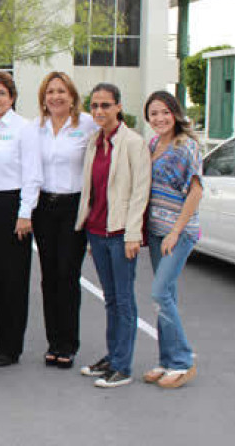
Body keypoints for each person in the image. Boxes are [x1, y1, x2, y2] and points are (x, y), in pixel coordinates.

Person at [76, 83, 150, 388]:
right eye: (94, 105)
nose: (99, 111)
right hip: (96, 231)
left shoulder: (133, 143)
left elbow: (140, 192)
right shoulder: (94, 141)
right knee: (110, 300)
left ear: (118, 107)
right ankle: (112, 357)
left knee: (124, 300)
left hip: (121, 233)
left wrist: (133, 234)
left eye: (105, 105)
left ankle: (123, 366)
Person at [32, 72, 98, 369]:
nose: (55, 97)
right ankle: (53, 342)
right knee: (49, 276)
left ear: (72, 96)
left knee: (68, 274)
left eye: (61, 91)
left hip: (74, 206)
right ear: (43, 98)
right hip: (44, 206)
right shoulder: (37, 128)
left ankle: (68, 344)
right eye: (50, 92)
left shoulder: (87, 125)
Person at [0, 71, 42, 367]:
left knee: (12, 280)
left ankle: (11, 347)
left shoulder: (23, 128)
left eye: (1, 93)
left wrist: (25, 213)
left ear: (12, 97)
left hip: (12, 207)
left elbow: (33, 174)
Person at [142, 91, 202, 389]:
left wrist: (176, 231)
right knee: (167, 296)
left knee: (159, 293)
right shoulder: (154, 144)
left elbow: (195, 191)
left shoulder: (186, 146)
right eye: (154, 113)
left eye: (165, 112)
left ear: (175, 114)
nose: (160, 118)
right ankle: (166, 360)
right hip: (156, 231)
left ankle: (183, 360)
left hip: (178, 232)